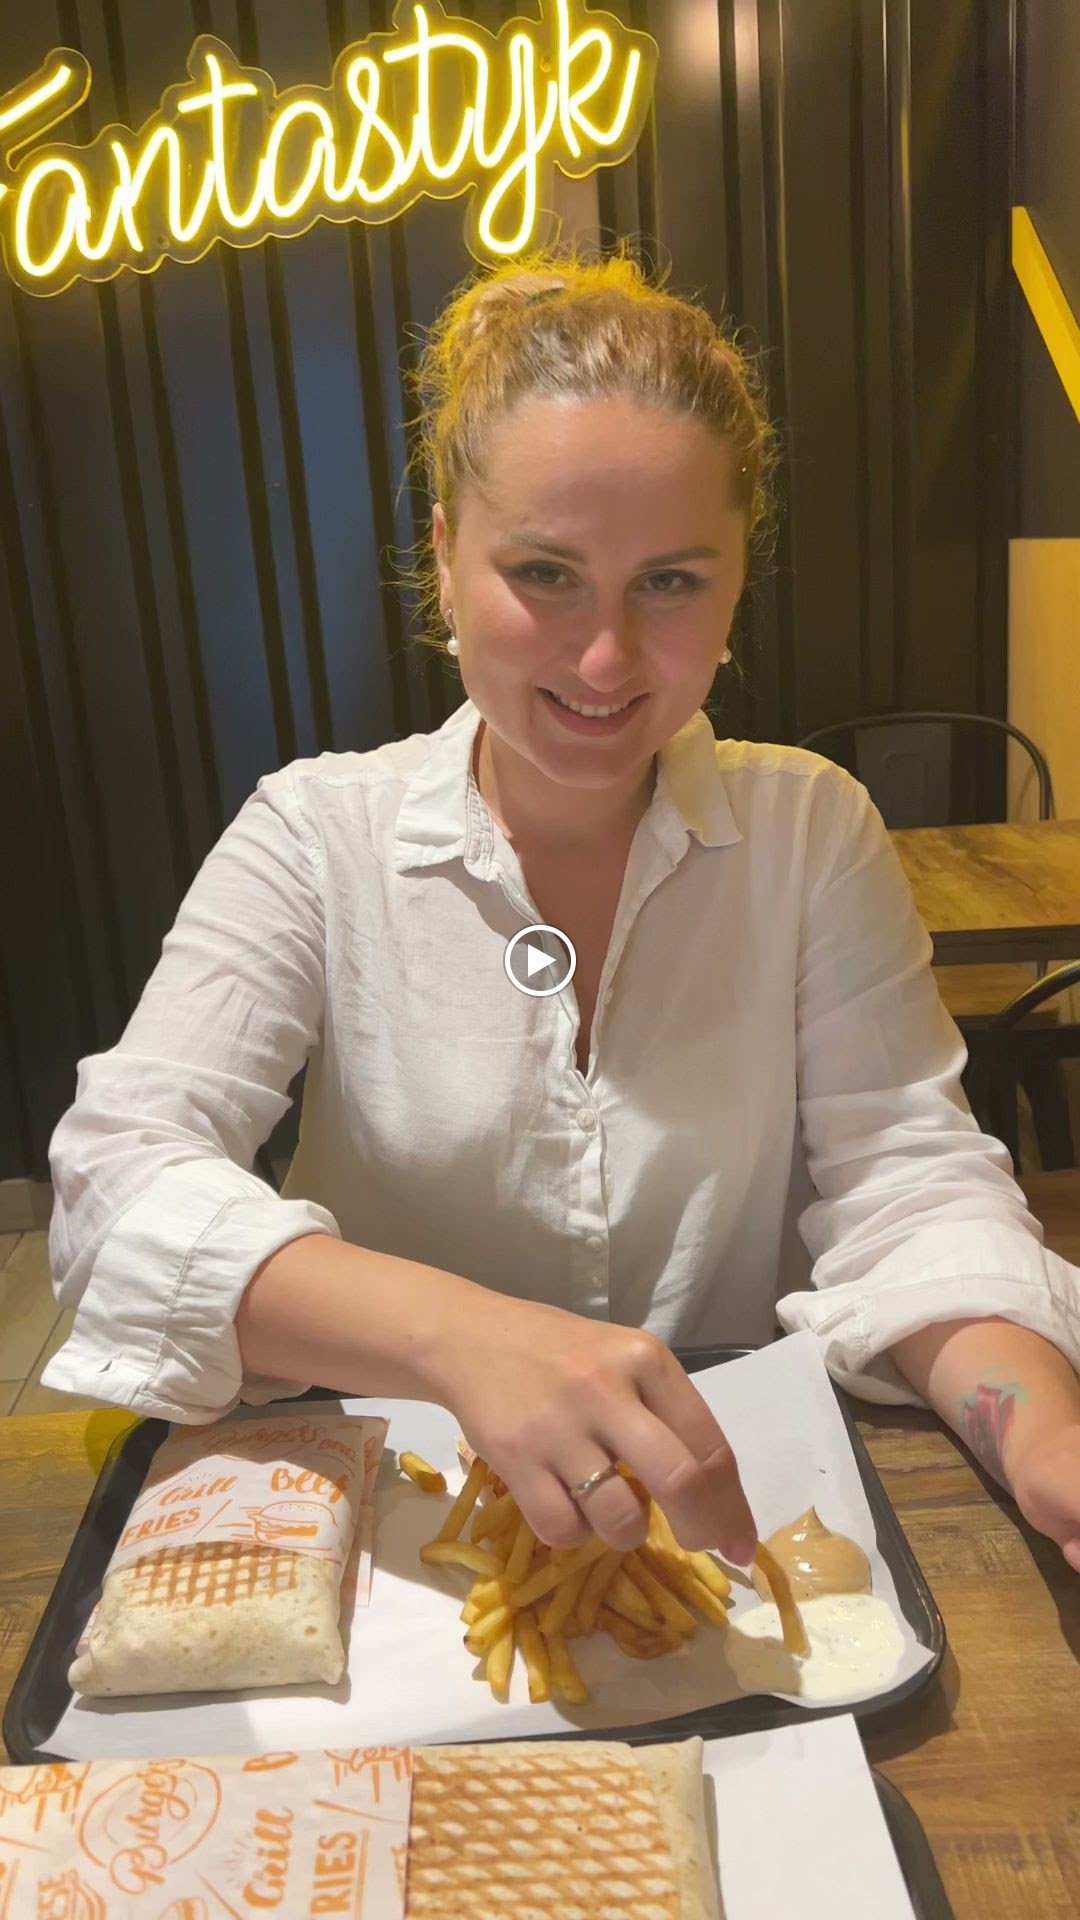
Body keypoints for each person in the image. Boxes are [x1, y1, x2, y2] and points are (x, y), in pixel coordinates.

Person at [45, 250, 1080, 1573]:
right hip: (402, 1546)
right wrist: (463, 1338)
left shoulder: (810, 833)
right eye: (543, 573)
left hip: (725, 1528)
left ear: (735, 582)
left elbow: (911, 1188)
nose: (604, 658)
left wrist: (1043, 1438)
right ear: (443, 554)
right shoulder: (315, 835)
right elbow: (117, 1181)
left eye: (670, 582)